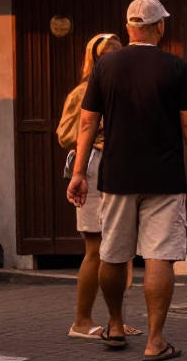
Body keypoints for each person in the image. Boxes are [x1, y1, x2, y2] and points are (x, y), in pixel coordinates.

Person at [67, 0, 187, 361]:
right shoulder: (175, 66)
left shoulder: (105, 66)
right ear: (159, 26)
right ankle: (155, 340)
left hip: (116, 175)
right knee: (160, 256)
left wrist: (80, 171)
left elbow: (87, 122)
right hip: (164, 176)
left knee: (112, 254)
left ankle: (114, 325)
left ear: (129, 27)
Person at [57, 32, 142, 341]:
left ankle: (115, 320)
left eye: (119, 52)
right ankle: (81, 320)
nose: (114, 58)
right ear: (93, 58)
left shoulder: (125, 89)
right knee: (95, 247)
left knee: (119, 248)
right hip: (94, 168)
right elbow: (66, 134)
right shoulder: (83, 91)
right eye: (107, 53)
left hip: (120, 167)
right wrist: (101, 129)